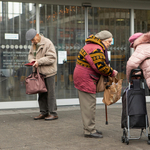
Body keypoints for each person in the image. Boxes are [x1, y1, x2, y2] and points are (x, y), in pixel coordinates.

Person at [73, 30, 118, 138]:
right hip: (85, 79)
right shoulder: (95, 49)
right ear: (103, 40)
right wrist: (112, 72)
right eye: (109, 42)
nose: (109, 45)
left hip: (84, 77)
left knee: (89, 104)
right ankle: (89, 131)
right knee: (89, 105)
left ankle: (90, 128)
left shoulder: (92, 46)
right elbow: (100, 67)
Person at [26, 28, 58, 121]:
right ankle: (44, 112)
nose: (32, 41)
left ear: (37, 35)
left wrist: (38, 62)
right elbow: (30, 54)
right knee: (41, 93)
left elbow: (52, 58)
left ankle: (53, 113)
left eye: (33, 39)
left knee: (50, 93)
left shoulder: (48, 43)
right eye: (31, 40)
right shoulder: (34, 44)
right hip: (39, 72)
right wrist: (31, 60)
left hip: (49, 72)